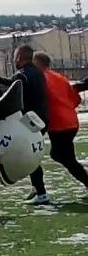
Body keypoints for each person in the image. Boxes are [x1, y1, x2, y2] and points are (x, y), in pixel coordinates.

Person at [0, 45, 50, 205]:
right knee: (32, 153)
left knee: (30, 156)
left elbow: (14, 91)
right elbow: (19, 85)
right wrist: (1, 80)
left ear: (20, 57)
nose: (14, 59)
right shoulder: (37, 73)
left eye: (15, 56)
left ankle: (41, 192)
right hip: (40, 119)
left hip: (26, 121)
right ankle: (37, 189)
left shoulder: (21, 74)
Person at [32, 52, 88, 194]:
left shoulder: (39, 79)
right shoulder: (60, 77)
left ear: (37, 63)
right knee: (64, 156)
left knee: (61, 156)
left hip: (58, 124)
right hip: (71, 122)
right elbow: (75, 99)